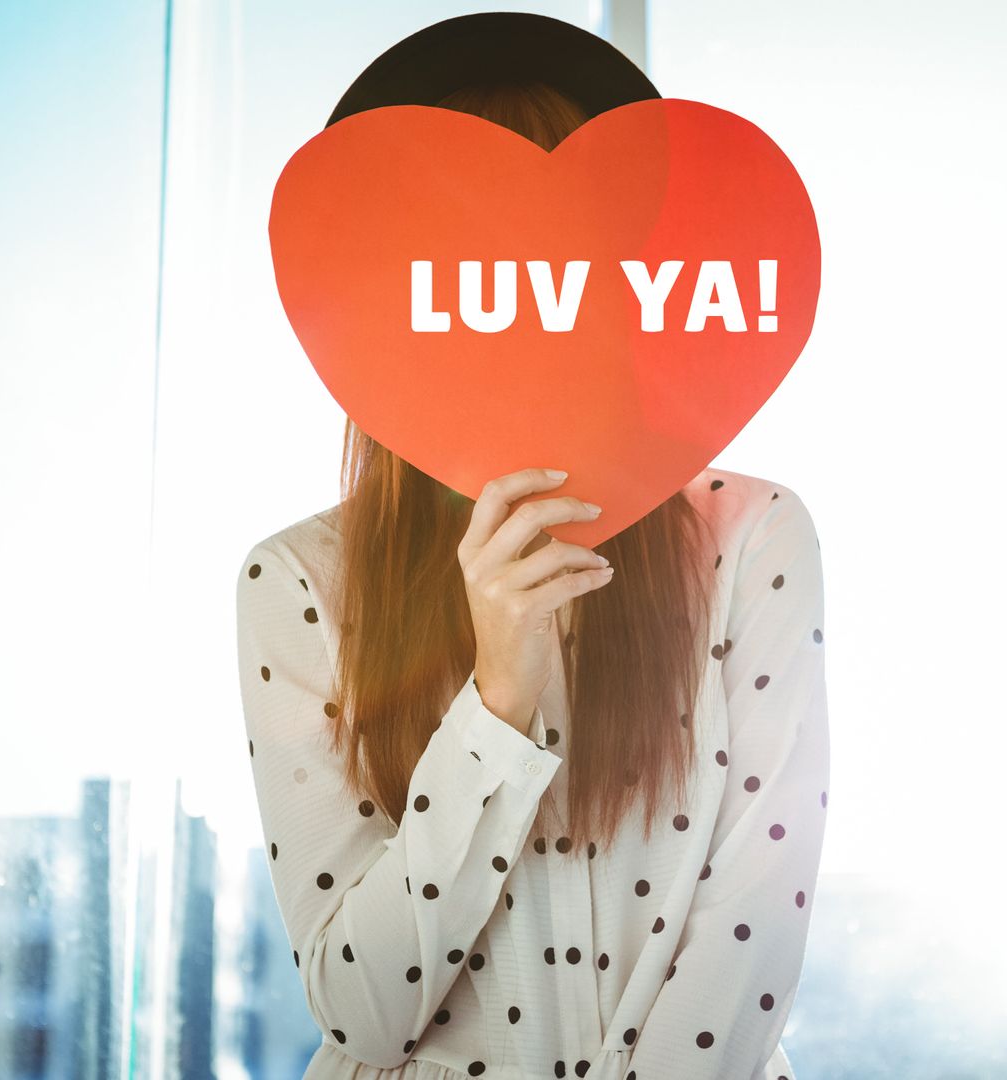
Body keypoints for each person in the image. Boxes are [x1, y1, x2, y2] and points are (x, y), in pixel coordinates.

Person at [236, 16, 829, 1080]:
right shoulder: (297, 584)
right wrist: (498, 702)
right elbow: (358, 1010)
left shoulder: (750, 540)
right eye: (464, 254)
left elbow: (752, 939)